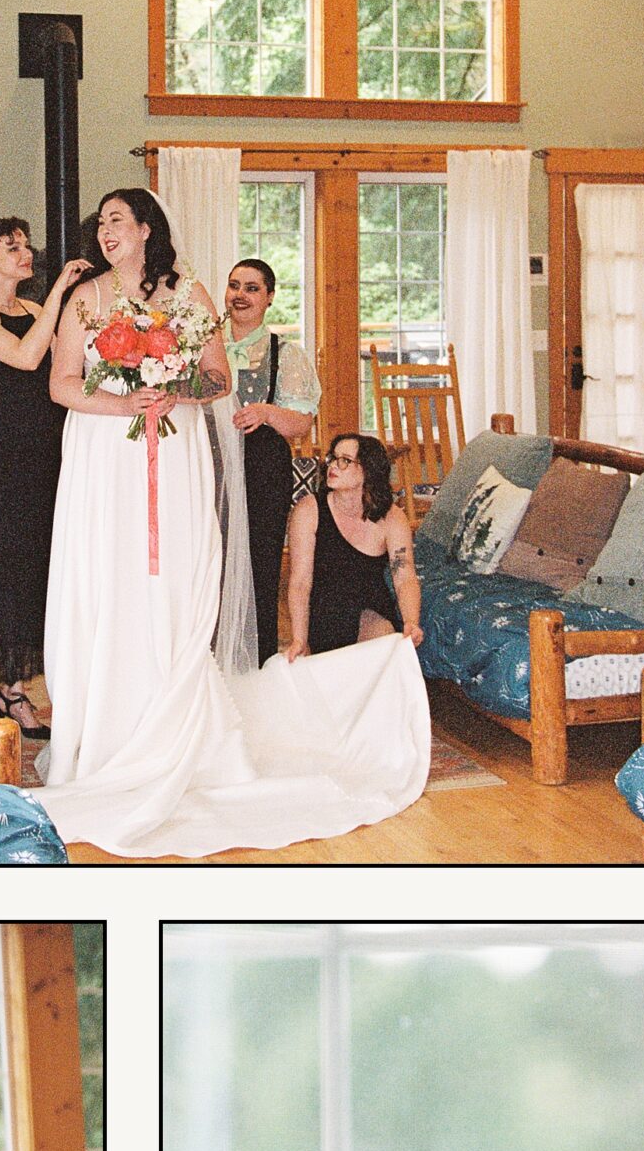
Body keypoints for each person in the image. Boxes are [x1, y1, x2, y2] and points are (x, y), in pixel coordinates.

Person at [37, 187, 430, 859]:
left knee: (176, 580)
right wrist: (125, 399)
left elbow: (217, 378)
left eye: (117, 220)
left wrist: (175, 390)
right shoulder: (84, 298)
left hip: (178, 445)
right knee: (111, 576)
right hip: (106, 452)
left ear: (145, 228)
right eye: (99, 223)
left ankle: (181, 722)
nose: (104, 231)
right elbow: (62, 383)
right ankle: (107, 728)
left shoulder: (188, 293)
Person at [0, 218, 91, 737]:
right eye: (13, 247)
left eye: (27, 245)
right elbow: (27, 356)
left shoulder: (32, 310)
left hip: (46, 456)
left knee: (35, 576)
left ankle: (15, 695)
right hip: (1, 461)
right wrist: (60, 290)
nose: (25, 253)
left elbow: (67, 370)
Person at [224, 257, 321, 663]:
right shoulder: (203, 345)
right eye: (234, 286)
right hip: (209, 465)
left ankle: (257, 659)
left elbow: (301, 422)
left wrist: (265, 412)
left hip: (262, 467)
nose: (240, 295)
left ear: (269, 298)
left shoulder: (285, 353)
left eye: (251, 288)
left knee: (259, 565)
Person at [285, 433, 423, 659]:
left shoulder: (392, 517)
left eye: (345, 460)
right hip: (327, 612)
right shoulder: (308, 510)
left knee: (387, 645)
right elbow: (300, 583)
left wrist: (411, 623)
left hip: (370, 607)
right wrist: (300, 639)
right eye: (332, 458)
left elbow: (405, 577)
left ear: (367, 470)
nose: (333, 466)